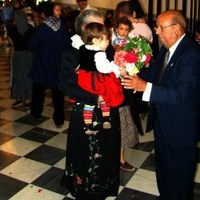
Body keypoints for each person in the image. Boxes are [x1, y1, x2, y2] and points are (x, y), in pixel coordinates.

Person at [121, 10, 200, 200]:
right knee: (164, 166)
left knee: (180, 174)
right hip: (163, 120)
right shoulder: (167, 47)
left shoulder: (192, 55)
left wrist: (144, 87)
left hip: (181, 127)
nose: (156, 32)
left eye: (160, 28)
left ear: (177, 29)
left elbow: (181, 93)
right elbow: (156, 74)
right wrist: (134, 74)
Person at [60, 9, 121, 200]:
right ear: (86, 28)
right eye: (99, 25)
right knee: (85, 150)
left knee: (108, 146)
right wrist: (95, 98)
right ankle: (84, 188)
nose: (105, 29)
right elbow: (65, 84)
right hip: (85, 110)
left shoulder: (107, 48)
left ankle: (105, 185)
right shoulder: (72, 52)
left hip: (107, 109)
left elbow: (112, 73)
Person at [28, 2, 71, 127]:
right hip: (57, 63)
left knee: (38, 90)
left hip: (42, 62)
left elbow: (32, 45)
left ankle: (36, 113)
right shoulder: (62, 27)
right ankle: (59, 118)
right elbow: (67, 45)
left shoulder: (42, 28)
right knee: (58, 92)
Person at [77, 22, 124, 134]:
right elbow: (104, 68)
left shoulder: (83, 48)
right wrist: (115, 68)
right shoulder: (99, 53)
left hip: (84, 78)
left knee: (89, 102)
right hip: (96, 79)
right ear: (95, 41)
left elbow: (81, 61)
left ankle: (87, 125)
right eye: (106, 39)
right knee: (105, 94)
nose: (108, 42)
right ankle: (106, 118)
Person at [8, 0, 33, 109]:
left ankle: (19, 97)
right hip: (29, 56)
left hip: (18, 56)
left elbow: (11, 43)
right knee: (27, 77)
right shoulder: (31, 29)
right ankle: (28, 99)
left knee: (18, 77)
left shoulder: (12, 30)